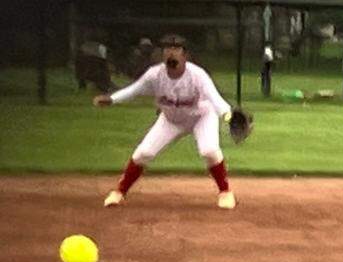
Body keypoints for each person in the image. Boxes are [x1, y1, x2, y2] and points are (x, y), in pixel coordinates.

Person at [93, 35, 237, 210]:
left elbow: (216, 100)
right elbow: (134, 90)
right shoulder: (155, 75)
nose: (171, 53)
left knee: (209, 150)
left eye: (176, 50)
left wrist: (228, 115)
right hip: (171, 120)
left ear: (185, 56)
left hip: (201, 117)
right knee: (143, 153)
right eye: (167, 49)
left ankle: (225, 192)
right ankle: (119, 192)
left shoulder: (197, 75)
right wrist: (112, 99)